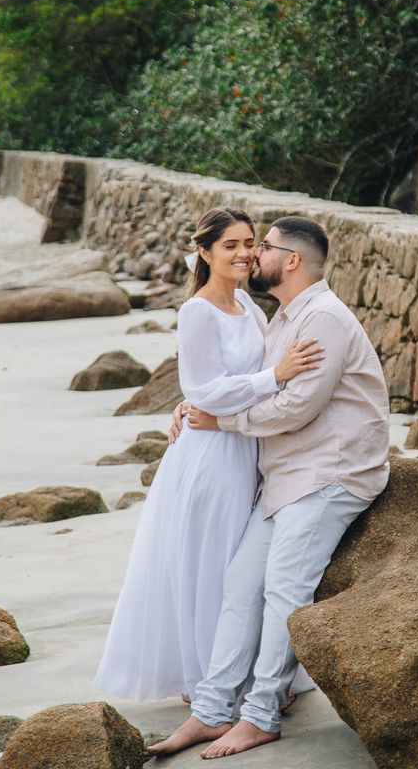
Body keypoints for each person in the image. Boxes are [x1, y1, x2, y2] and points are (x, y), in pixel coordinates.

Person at [149, 216, 390, 759]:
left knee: (284, 589)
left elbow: (298, 405)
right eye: (243, 246)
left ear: (293, 260)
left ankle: (260, 715)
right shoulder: (281, 316)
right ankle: (213, 710)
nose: (254, 256)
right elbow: (232, 379)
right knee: (240, 587)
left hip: (330, 474)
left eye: (264, 247)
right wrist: (194, 403)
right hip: (284, 478)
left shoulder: (323, 318)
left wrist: (221, 422)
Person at [95, 207, 323, 702]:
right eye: (231, 246)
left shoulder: (250, 306)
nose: (244, 254)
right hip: (212, 454)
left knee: (242, 568)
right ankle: (210, 679)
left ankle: (249, 672)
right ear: (204, 252)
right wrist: (275, 375)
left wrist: (209, 397)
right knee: (214, 562)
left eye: (250, 244)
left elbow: (214, 389)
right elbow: (204, 386)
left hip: (244, 448)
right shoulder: (197, 310)